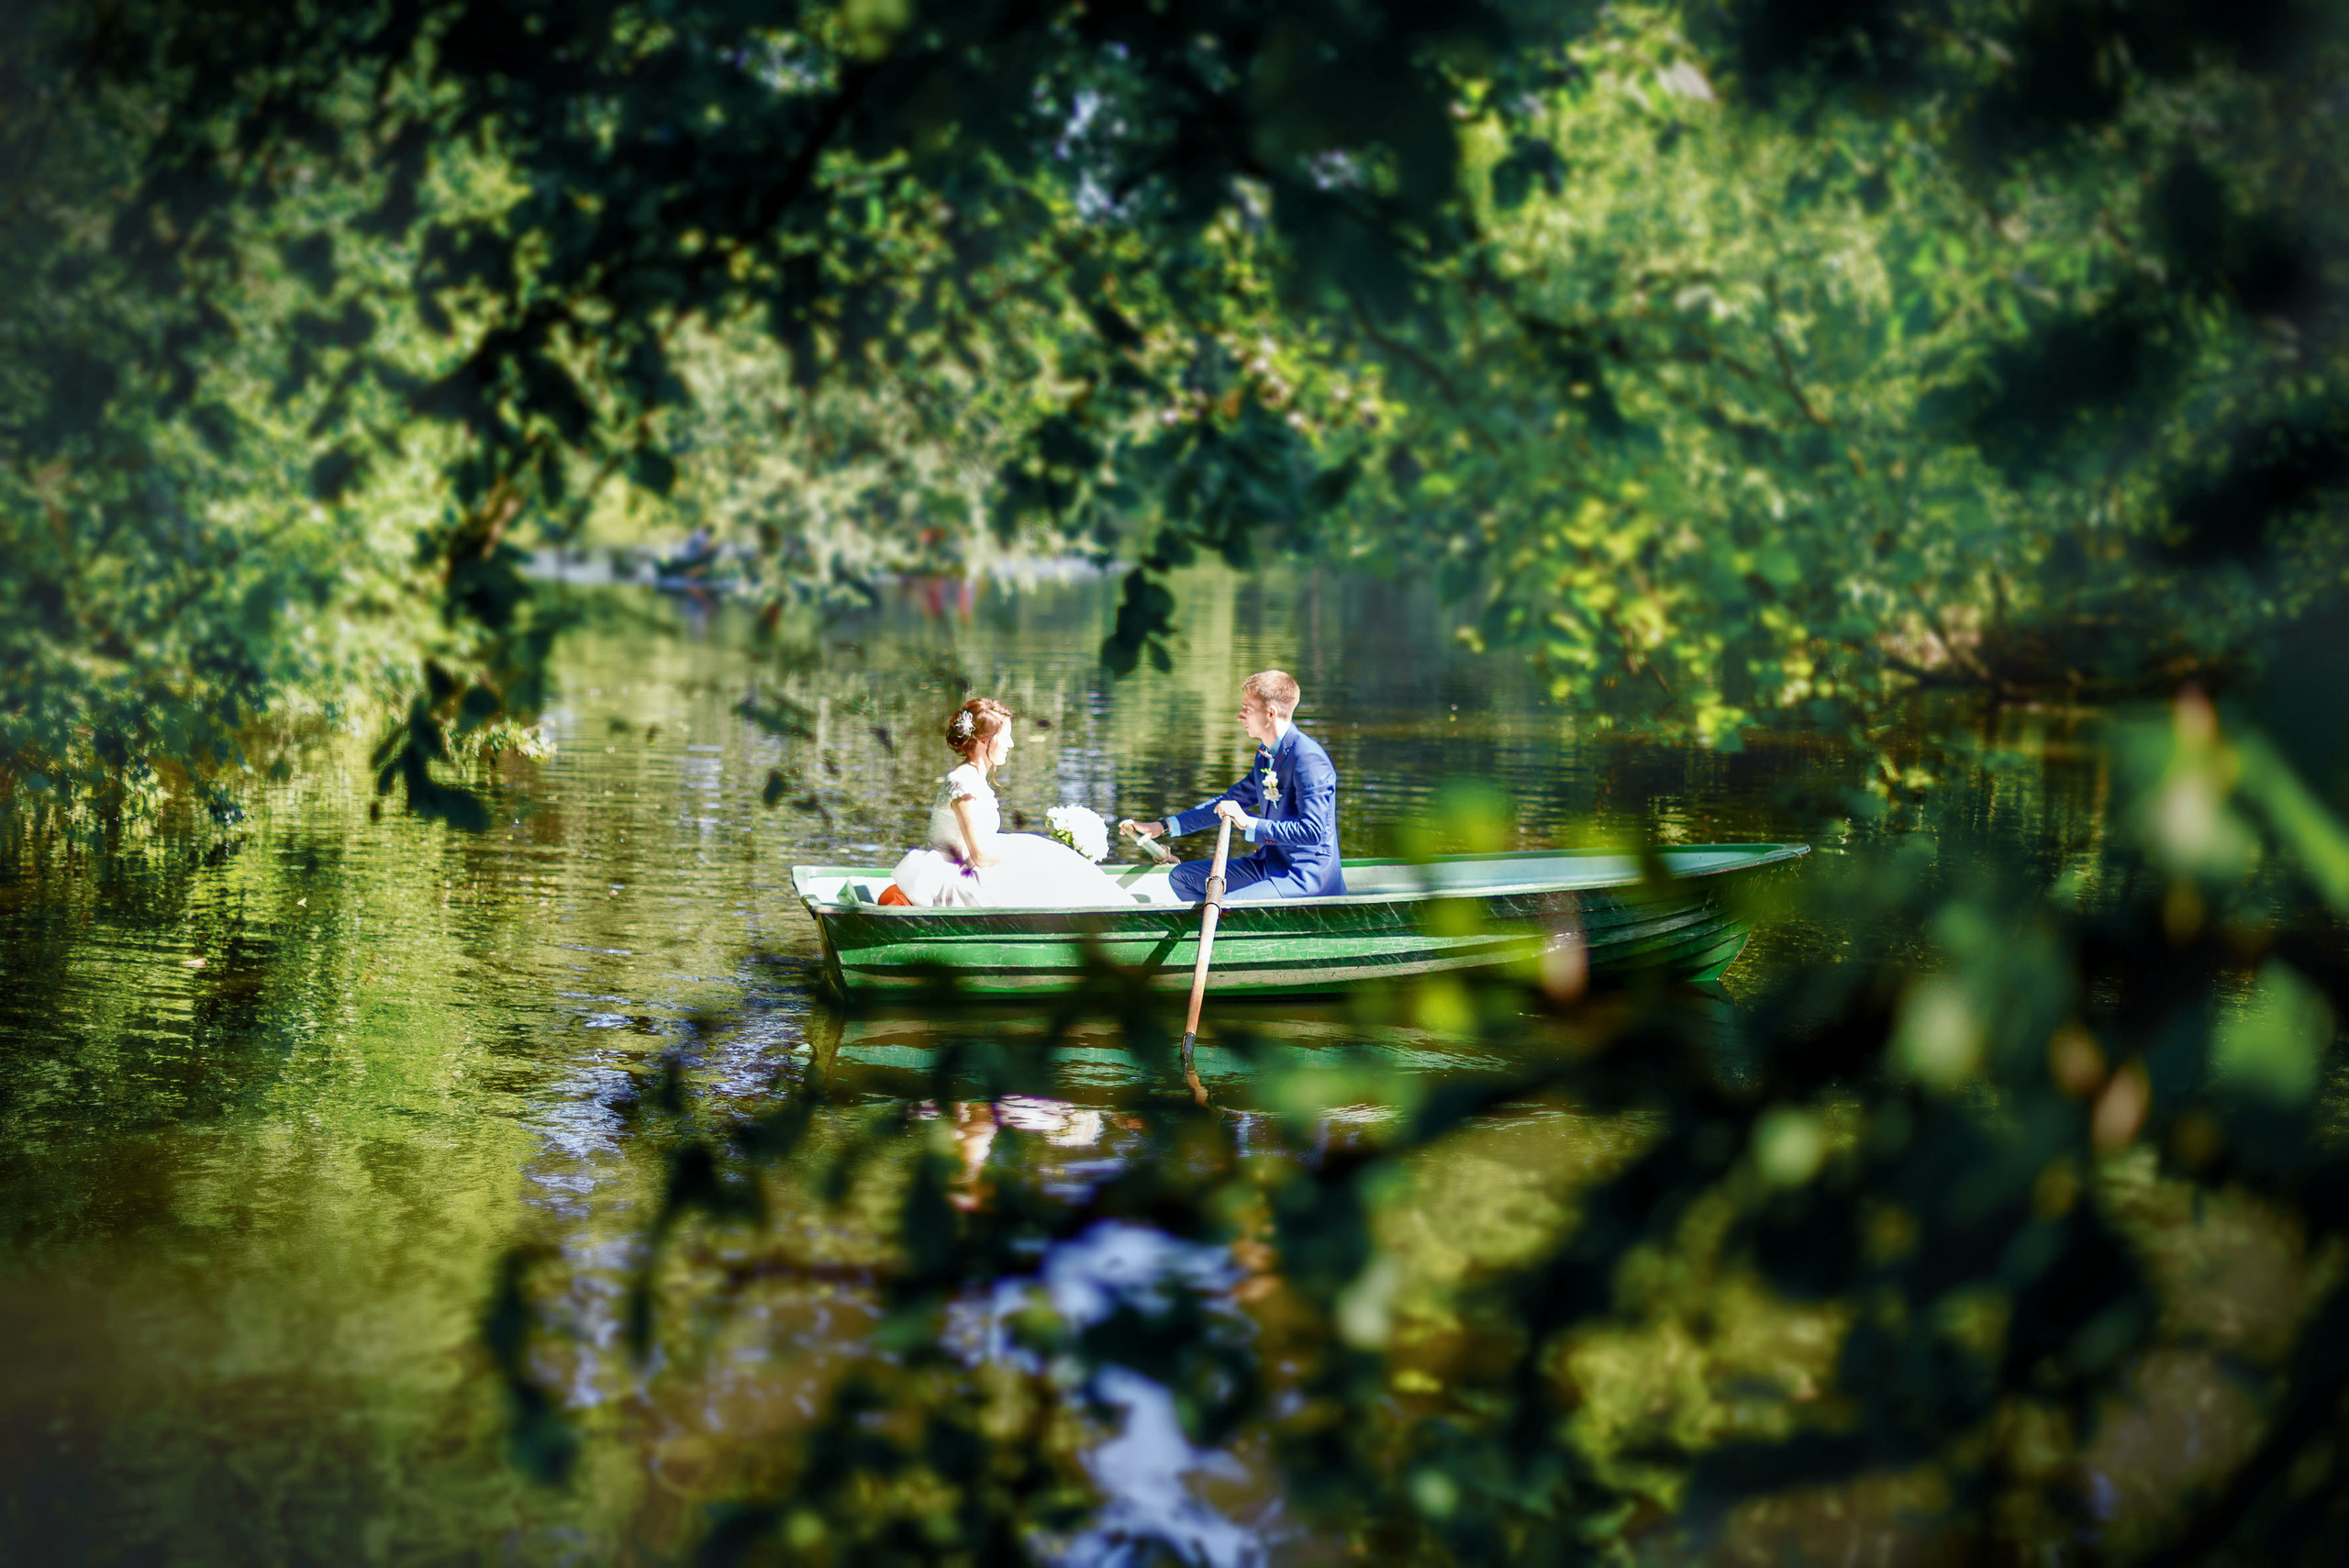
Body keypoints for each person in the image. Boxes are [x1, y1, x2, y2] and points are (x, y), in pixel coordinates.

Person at [1119, 670, 1345, 903]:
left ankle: (1223, 921)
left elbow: (1312, 831)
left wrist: (1248, 823)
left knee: (1225, 906)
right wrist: (1162, 826)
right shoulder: (1265, 754)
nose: (1239, 716)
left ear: (1271, 713)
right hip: (1268, 863)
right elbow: (1228, 802)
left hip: (1304, 877)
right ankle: (1212, 923)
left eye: (1247, 709)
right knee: (1182, 877)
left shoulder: (1308, 758)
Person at [888, 698, 1132, 908]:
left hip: (970, 866)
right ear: (983, 739)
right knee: (1043, 871)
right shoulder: (962, 783)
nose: (1011, 744)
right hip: (952, 875)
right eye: (1005, 737)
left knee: (1055, 862)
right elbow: (979, 855)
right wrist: (1028, 857)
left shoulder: (975, 779)